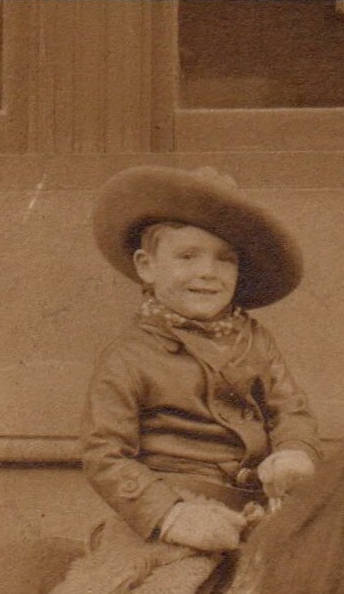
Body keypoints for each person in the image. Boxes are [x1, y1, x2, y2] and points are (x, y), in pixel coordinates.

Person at [83, 166, 321, 552]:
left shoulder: (256, 341)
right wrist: (172, 515)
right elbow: (104, 454)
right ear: (147, 266)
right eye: (188, 256)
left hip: (261, 511)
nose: (207, 273)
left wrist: (295, 451)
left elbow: (290, 410)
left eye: (224, 259)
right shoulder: (128, 357)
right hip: (174, 516)